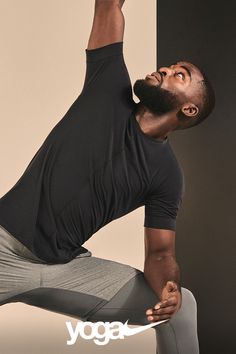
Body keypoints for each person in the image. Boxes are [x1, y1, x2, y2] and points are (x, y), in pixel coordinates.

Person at [0, 1, 215, 353]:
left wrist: (169, 288)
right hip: (4, 247)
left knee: (183, 307)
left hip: (65, 268)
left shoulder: (167, 176)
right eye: (171, 66)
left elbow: (160, 253)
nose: (165, 69)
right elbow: (108, 6)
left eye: (180, 75)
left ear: (189, 109)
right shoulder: (107, 83)